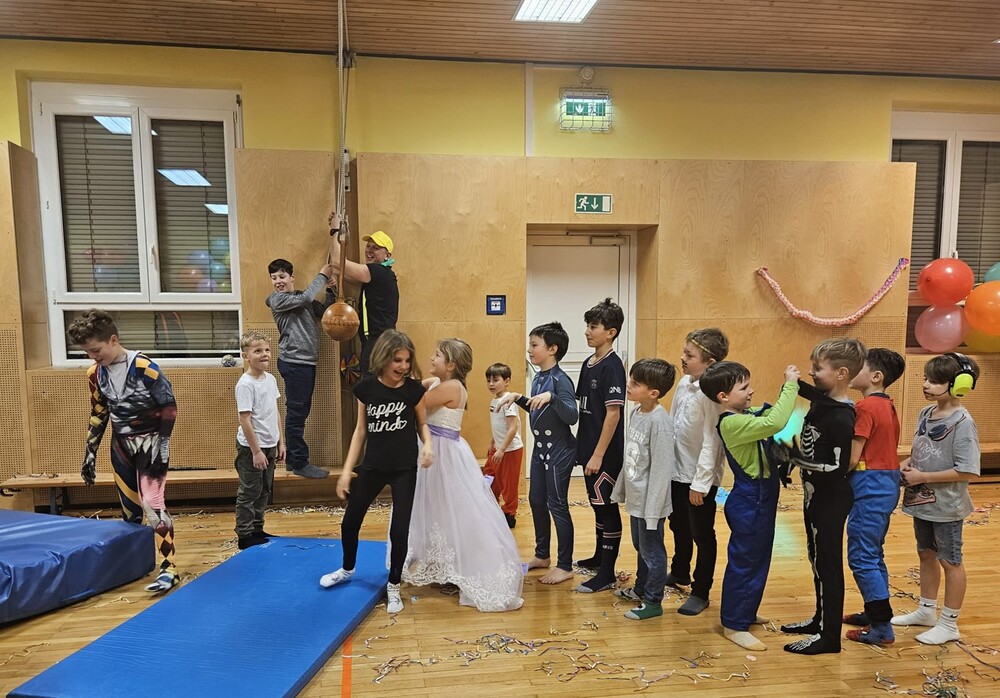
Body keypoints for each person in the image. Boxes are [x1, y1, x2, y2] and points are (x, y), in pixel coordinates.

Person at [403, 339, 524, 612]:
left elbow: (416, 402)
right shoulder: (439, 381)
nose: (432, 358)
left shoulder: (452, 387)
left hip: (443, 453)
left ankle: (460, 564)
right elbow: (416, 386)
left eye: (438, 355)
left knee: (454, 508)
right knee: (436, 509)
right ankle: (443, 563)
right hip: (433, 449)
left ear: (451, 365)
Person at [318, 330, 433, 615]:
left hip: (404, 469)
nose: (403, 366)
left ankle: (393, 585)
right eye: (397, 360)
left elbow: (422, 424)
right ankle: (347, 568)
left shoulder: (413, 390)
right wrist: (346, 471)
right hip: (373, 467)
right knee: (350, 522)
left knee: (399, 531)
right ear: (383, 358)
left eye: (407, 360)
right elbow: (360, 431)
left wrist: (428, 446)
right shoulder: (367, 388)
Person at [67, 309, 180, 593]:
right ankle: (135, 566)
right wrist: (89, 452)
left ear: (114, 340)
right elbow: (99, 413)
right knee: (130, 511)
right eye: (87, 352)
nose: (92, 357)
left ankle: (169, 568)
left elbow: (169, 406)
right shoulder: (95, 373)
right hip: (121, 447)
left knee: (152, 504)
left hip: (150, 444)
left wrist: (163, 446)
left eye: (96, 350)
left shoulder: (144, 367)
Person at [700, 360, 801, 651]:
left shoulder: (745, 414)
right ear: (723, 397)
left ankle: (745, 608)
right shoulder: (731, 423)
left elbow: (769, 414)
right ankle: (734, 624)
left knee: (759, 559)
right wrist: (790, 385)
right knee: (745, 563)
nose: (751, 391)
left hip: (763, 498)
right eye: (744, 387)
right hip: (749, 500)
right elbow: (774, 423)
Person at [779, 338, 865, 655]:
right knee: (816, 558)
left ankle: (830, 638)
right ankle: (820, 620)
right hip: (814, 495)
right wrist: (791, 382)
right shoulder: (823, 401)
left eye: (818, 368)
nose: (812, 372)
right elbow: (805, 391)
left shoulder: (841, 415)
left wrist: (794, 458)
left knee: (828, 565)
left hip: (831, 498)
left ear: (842, 373)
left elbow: (837, 466)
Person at [892, 353, 981, 645]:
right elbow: (925, 451)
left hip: (947, 507)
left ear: (959, 384)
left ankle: (949, 624)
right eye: (926, 379)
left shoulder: (963, 423)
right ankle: (927, 610)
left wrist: (924, 477)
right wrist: (907, 463)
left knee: (950, 561)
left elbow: (967, 470)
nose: (926, 385)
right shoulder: (926, 413)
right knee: (926, 554)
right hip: (923, 503)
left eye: (935, 381)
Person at [496, 322, 578, 585]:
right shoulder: (540, 377)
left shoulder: (560, 380)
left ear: (552, 349)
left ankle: (565, 565)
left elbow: (572, 416)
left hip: (559, 451)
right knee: (536, 500)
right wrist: (519, 398)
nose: (529, 350)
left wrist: (553, 397)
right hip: (541, 451)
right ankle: (542, 555)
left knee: (557, 505)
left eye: (534, 345)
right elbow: (537, 409)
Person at [842, 348, 906, 646]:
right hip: (885, 483)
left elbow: (851, 458)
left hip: (870, 486)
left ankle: (881, 628)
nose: (852, 370)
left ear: (876, 376)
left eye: (859, 367)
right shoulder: (886, 405)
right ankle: (874, 611)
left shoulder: (866, 407)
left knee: (861, 556)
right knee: (872, 552)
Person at [609, 358, 677, 620]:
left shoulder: (660, 423)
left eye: (635, 383)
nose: (629, 385)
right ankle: (640, 588)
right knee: (641, 546)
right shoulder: (637, 412)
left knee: (652, 552)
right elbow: (631, 459)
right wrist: (621, 490)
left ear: (653, 392)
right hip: (637, 499)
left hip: (652, 504)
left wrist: (653, 510)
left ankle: (653, 601)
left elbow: (661, 470)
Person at [667, 328, 728, 616]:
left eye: (689, 355)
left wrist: (701, 484)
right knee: (678, 525)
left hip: (699, 478)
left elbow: (712, 443)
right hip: (677, 470)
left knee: (702, 534)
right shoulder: (684, 383)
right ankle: (679, 570)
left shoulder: (713, 396)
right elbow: (674, 425)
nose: (683, 358)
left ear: (710, 362)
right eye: (684, 352)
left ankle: (701, 590)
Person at [573, 298, 627, 594]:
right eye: (588, 325)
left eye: (594, 326)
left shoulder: (613, 366)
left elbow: (613, 413)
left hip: (605, 454)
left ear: (611, 332)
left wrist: (597, 454)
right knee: (596, 505)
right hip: (588, 448)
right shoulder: (588, 363)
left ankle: (607, 573)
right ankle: (598, 558)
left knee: (607, 508)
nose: (587, 331)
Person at [265, 257, 335, 479]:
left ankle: (293, 460)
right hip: (294, 363)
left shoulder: (302, 299)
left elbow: (324, 311)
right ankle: (299, 462)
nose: (278, 281)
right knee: (296, 413)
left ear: (291, 277)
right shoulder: (277, 299)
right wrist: (322, 276)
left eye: (282, 276)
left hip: (306, 363)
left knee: (301, 412)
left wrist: (330, 290)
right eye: (274, 278)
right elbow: (306, 297)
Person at [233, 331, 286, 551]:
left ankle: (257, 528)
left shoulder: (270, 379)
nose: (264, 354)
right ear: (246, 356)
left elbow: (275, 411)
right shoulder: (245, 384)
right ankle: (244, 534)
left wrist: (281, 442)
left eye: (266, 350)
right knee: (249, 491)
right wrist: (256, 451)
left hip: (270, 444)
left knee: (264, 489)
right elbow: (245, 419)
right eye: (257, 351)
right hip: (252, 447)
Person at [329, 212, 399, 374]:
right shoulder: (377, 276)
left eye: (376, 248)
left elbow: (338, 262)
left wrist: (334, 231)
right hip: (377, 343)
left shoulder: (379, 272)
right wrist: (340, 234)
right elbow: (339, 269)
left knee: (372, 387)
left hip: (380, 344)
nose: (369, 250)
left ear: (387, 256)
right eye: (368, 246)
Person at [485, 362, 524, 528]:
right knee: (490, 477)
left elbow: (512, 427)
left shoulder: (508, 401)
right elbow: (498, 425)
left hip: (510, 450)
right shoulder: (494, 400)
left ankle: (509, 514)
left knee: (509, 483)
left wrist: (502, 449)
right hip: (498, 448)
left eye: (496, 380)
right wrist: (493, 442)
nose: (491, 384)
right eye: (489, 380)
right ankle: (492, 508)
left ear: (507, 381)